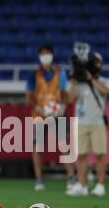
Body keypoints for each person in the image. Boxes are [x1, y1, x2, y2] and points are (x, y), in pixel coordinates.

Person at [25, 44, 76, 191]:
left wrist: (62, 107)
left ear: (52, 55)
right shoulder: (34, 74)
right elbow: (29, 96)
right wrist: (40, 108)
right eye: (43, 54)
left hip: (58, 113)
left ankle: (71, 178)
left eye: (47, 53)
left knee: (64, 145)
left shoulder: (60, 73)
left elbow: (65, 93)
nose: (45, 56)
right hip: (39, 115)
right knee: (38, 147)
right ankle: (39, 179)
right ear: (39, 56)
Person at [67, 48, 109, 197]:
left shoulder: (104, 81)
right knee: (81, 155)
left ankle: (100, 185)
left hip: (98, 123)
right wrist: (74, 79)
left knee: (100, 155)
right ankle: (82, 185)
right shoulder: (79, 83)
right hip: (81, 122)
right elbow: (71, 99)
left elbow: (106, 91)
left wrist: (91, 79)